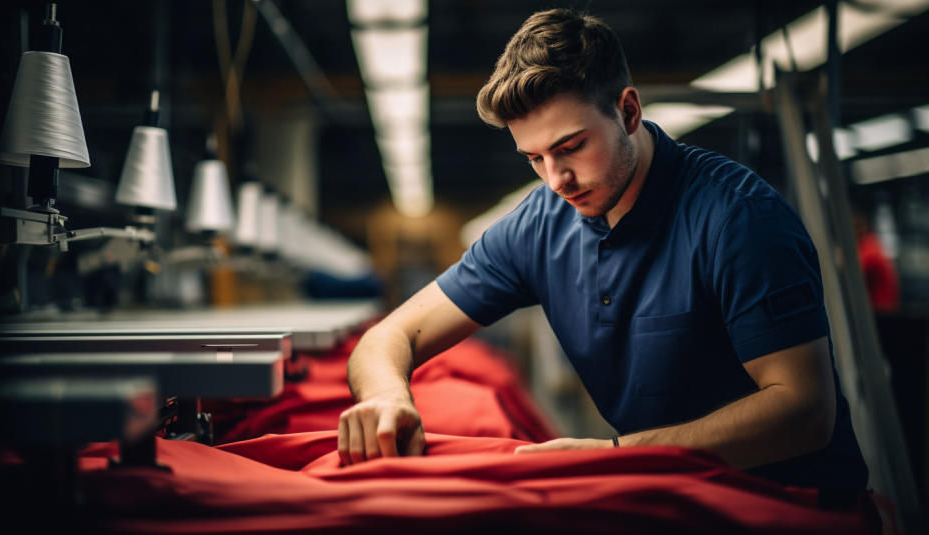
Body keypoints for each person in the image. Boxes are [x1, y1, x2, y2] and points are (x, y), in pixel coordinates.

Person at [338, 8, 868, 493]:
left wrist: (616, 455)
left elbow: (804, 412)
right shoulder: (539, 225)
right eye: (535, 158)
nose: (557, 179)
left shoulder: (738, 217)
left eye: (571, 147)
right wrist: (386, 396)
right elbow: (388, 336)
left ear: (629, 110)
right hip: (673, 497)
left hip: (794, 505)